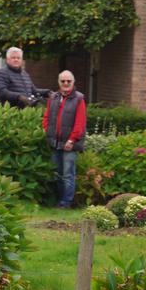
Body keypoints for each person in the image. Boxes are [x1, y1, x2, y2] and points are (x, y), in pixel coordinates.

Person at [43, 70, 87, 208]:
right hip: (54, 142)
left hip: (70, 144)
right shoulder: (53, 98)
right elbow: (46, 117)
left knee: (68, 175)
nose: (66, 83)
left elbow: (80, 123)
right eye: (63, 81)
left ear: (73, 83)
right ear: (59, 82)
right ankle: (60, 200)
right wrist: (46, 130)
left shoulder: (79, 99)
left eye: (69, 81)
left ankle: (66, 202)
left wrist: (72, 140)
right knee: (57, 174)